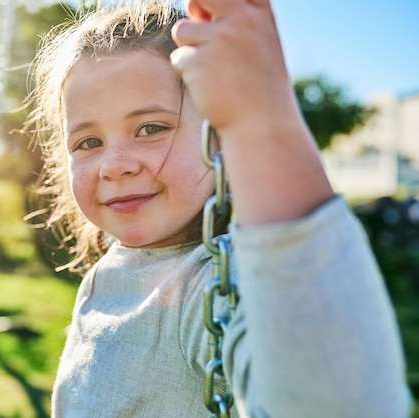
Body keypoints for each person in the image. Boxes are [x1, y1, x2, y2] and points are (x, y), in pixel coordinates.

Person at [24, 0, 412, 417]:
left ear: (219, 139)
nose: (114, 165)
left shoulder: (210, 284)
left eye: (150, 129)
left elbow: (336, 403)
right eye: (88, 142)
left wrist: (261, 116)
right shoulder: (110, 272)